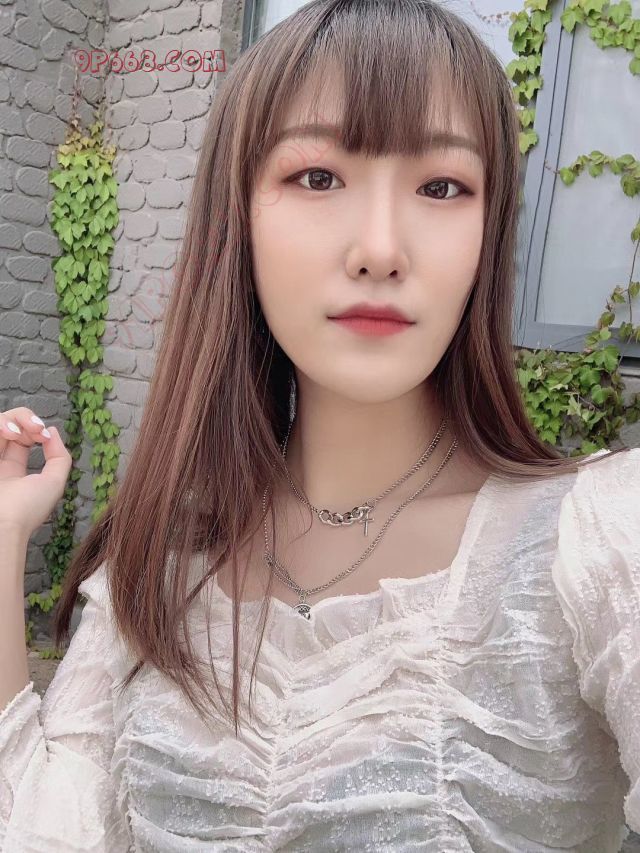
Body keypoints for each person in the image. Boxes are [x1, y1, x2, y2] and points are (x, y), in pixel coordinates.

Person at [1, 0, 639, 849]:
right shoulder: (154, 568)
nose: (380, 249)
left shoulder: (596, 542)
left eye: (442, 187)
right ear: (238, 218)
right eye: (317, 178)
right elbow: (47, 827)